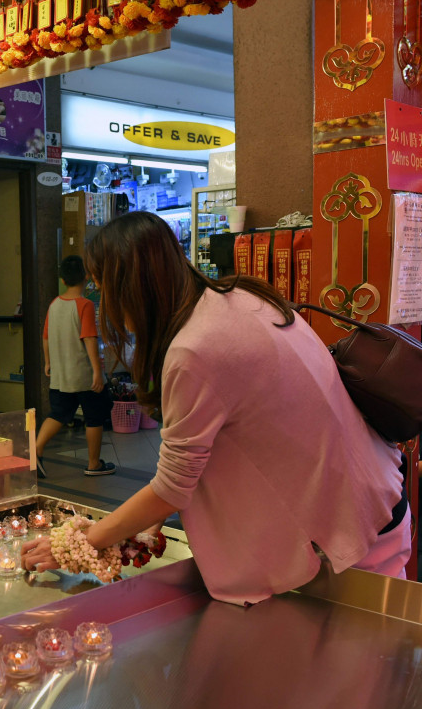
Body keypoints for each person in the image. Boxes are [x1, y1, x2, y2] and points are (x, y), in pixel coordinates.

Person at [21, 211, 409, 606]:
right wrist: (134, 527)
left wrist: (79, 543)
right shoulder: (239, 296)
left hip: (348, 530)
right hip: (372, 494)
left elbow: (172, 488)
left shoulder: (194, 349)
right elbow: (211, 447)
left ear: (130, 289)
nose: (107, 308)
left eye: (106, 293)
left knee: (365, 659)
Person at [36, 255, 115, 478]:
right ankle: (93, 464)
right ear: (86, 276)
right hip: (83, 374)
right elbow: (89, 338)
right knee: (94, 416)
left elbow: (46, 337)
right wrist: (97, 371)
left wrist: (48, 362)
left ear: (62, 278)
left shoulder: (54, 305)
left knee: (59, 413)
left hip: (61, 374)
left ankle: (36, 450)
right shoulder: (85, 305)